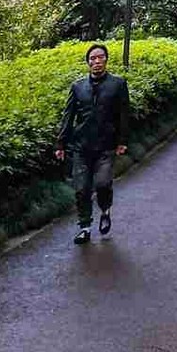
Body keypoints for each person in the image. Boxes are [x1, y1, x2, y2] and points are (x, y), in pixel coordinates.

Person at [54, 43, 131, 246]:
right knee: (81, 188)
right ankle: (84, 227)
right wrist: (60, 144)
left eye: (100, 58)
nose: (96, 62)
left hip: (106, 145)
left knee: (103, 183)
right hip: (81, 146)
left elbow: (124, 115)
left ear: (106, 60)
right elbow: (68, 116)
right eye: (92, 59)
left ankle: (105, 210)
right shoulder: (78, 87)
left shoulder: (118, 84)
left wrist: (122, 141)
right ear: (88, 62)